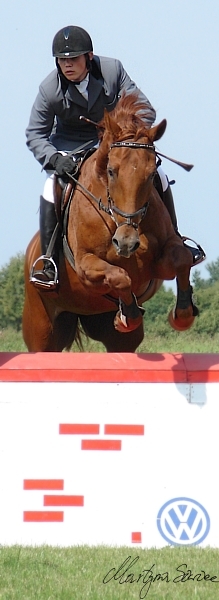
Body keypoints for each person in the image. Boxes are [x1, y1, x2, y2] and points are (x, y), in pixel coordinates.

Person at [26, 25, 205, 289]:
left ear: (89, 57)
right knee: (51, 187)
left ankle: (175, 238)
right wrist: (54, 159)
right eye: (62, 60)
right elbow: (35, 134)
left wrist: (127, 133)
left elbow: (145, 109)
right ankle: (49, 261)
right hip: (71, 146)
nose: (67, 65)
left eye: (73, 59)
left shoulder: (113, 70)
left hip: (117, 141)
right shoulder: (49, 89)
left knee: (160, 174)